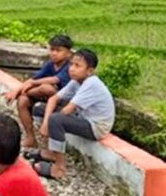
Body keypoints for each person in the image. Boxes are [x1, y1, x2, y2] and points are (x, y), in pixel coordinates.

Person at [32, 49, 115, 180]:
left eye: (77, 66)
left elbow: (67, 110)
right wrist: (45, 122)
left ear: (90, 71)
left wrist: (48, 122)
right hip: (83, 118)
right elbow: (53, 99)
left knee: (56, 119)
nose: (72, 69)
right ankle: (51, 152)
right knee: (39, 108)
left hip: (97, 127)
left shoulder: (91, 83)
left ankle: (59, 168)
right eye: (71, 64)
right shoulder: (76, 81)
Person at [4, 35, 73, 148]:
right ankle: (30, 138)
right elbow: (32, 79)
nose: (54, 53)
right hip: (48, 99)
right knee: (22, 101)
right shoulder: (50, 64)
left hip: (64, 101)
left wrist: (33, 83)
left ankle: (25, 93)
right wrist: (16, 91)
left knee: (46, 88)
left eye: (58, 50)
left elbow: (55, 80)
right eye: (52, 49)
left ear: (68, 53)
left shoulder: (70, 66)